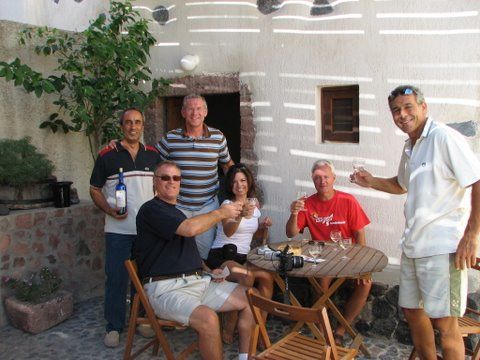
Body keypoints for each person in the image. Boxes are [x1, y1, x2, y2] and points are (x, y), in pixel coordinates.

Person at [351, 85, 480, 359]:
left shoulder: (444, 137)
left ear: (424, 107)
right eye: (396, 110)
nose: (402, 114)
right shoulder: (410, 146)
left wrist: (472, 234)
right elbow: (401, 185)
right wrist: (371, 181)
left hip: (443, 246)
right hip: (413, 245)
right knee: (412, 312)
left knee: (445, 324)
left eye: (408, 106)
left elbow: (477, 180)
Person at [135, 160, 254, 360]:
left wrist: (207, 270)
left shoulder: (177, 213)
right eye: (165, 177)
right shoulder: (151, 210)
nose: (171, 182)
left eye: (176, 178)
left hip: (198, 281)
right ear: (155, 182)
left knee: (251, 296)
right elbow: (189, 229)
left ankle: (244, 357)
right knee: (208, 318)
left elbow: (188, 251)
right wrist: (221, 213)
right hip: (167, 288)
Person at [89, 108, 162, 348]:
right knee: (117, 279)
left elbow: (161, 188)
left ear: (143, 126)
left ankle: (140, 320)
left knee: (143, 279)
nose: (133, 127)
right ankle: (114, 326)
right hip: (118, 231)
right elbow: (94, 189)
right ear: (121, 126)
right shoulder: (107, 155)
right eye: (128, 123)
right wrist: (109, 210)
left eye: (138, 122)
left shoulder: (153, 155)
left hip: (146, 232)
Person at [286, 159, 371, 345]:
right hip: (323, 257)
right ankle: (323, 328)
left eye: (326, 177)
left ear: (334, 178)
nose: (322, 181)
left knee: (365, 284)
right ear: (312, 180)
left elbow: (360, 233)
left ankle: (340, 330)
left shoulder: (347, 200)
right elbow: (290, 233)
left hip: (349, 255)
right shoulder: (306, 203)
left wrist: (363, 264)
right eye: (317, 177)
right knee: (321, 282)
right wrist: (293, 213)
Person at [156, 94, 234, 259]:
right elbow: (154, 164)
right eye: (190, 109)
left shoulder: (218, 137)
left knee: (202, 255)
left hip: (207, 207)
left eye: (199, 109)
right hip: (178, 207)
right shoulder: (171, 138)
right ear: (183, 112)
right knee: (176, 252)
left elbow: (228, 165)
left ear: (205, 112)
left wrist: (240, 192)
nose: (194, 113)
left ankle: (199, 284)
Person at [206, 163, 274, 344]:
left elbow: (252, 233)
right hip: (223, 255)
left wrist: (263, 226)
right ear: (230, 185)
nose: (239, 185)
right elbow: (228, 231)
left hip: (244, 256)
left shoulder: (254, 205)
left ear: (248, 182)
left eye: (243, 180)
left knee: (267, 276)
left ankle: (259, 328)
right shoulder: (227, 205)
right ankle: (229, 327)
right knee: (247, 277)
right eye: (235, 182)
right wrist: (240, 215)